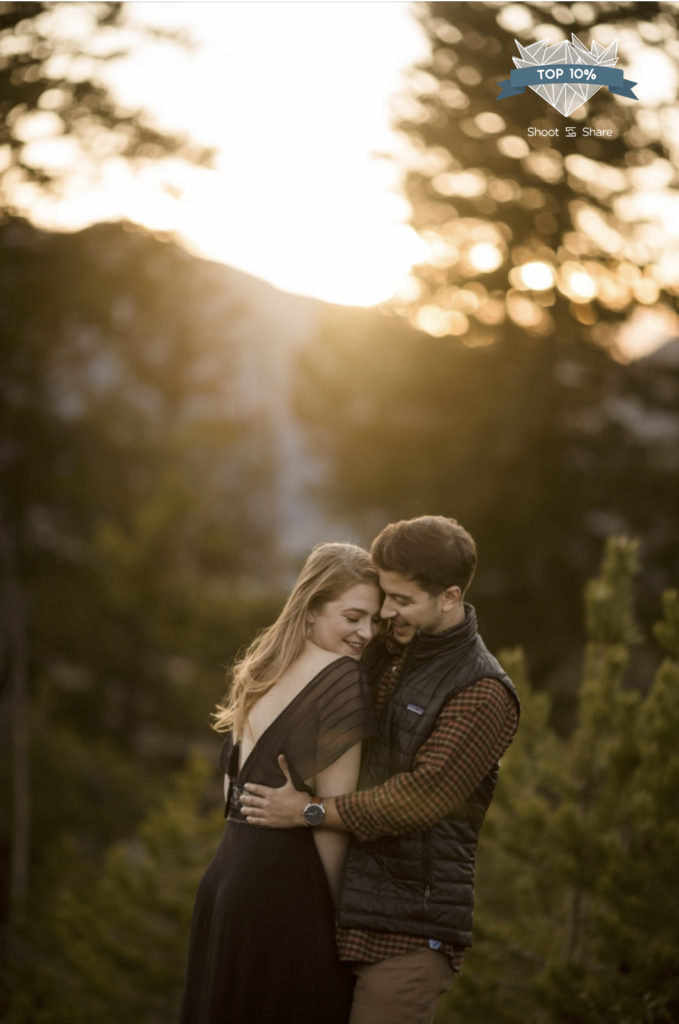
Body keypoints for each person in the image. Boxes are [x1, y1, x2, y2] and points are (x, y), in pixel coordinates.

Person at [240, 515, 521, 1024]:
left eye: (402, 600)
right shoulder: (383, 647)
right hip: (337, 914)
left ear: (450, 597)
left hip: (408, 934)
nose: (387, 611)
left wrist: (306, 811)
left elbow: (421, 798)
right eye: (385, 595)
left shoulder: (482, 691)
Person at [179, 542, 381, 1024]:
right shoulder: (343, 679)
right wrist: (342, 919)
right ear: (311, 609)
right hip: (286, 892)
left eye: (374, 621)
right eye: (352, 617)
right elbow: (332, 817)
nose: (366, 633)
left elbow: (237, 796)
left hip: (226, 882)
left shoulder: (259, 672)